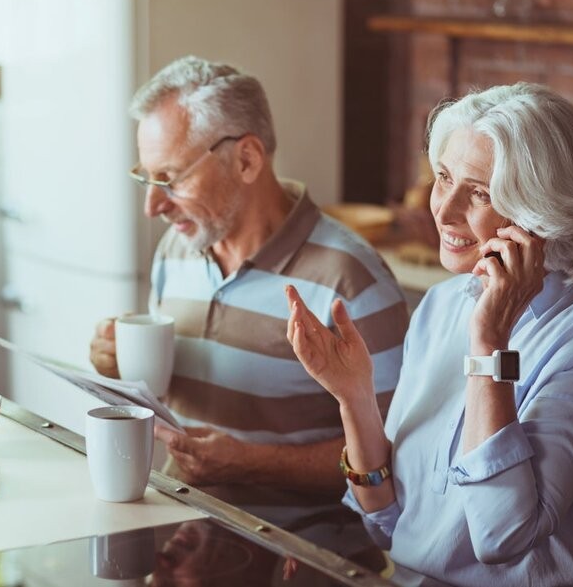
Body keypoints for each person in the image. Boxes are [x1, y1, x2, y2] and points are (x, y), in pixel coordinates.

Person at [286, 82, 573, 586]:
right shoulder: (443, 304)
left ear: (544, 213)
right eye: (444, 178)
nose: (442, 210)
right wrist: (354, 397)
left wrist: (490, 345)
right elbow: (389, 524)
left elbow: (502, 537)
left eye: (480, 192)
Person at [89, 56, 408, 546]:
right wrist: (118, 366)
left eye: (170, 178)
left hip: (297, 558)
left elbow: (396, 460)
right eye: (147, 179)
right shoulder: (177, 249)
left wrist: (251, 463)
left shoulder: (350, 280)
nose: (152, 206)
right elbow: (173, 399)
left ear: (246, 160)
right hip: (182, 537)